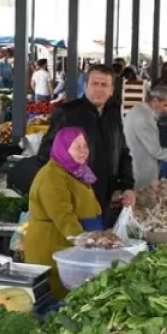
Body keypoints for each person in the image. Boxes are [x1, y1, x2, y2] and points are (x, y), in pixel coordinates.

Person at [20, 65, 134, 226]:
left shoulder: (114, 115)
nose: (99, 89)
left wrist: (127, 186)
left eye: (104, 85)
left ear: (112, 89)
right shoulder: (68, 113)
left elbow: (123, 153)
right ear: (86, 85)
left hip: (105, 200)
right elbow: (46, 156)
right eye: (95, 84)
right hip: (74, 200)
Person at [23, 128, 114, 299]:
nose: (83, 151)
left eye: (85, 146)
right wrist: (84, 241)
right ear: (62, 148)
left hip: (71, 247)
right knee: (57, 300)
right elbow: (63, 216)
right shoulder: (51, 176)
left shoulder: (76, 171)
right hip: (52, 248)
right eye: (76, 146)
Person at [124, 85, 167, 188]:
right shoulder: (143, 118)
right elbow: (156, 151)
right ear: (155, 101)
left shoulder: (140, 111)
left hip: (141, 168)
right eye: (165, 105)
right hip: (140, 172)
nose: (166, 110)